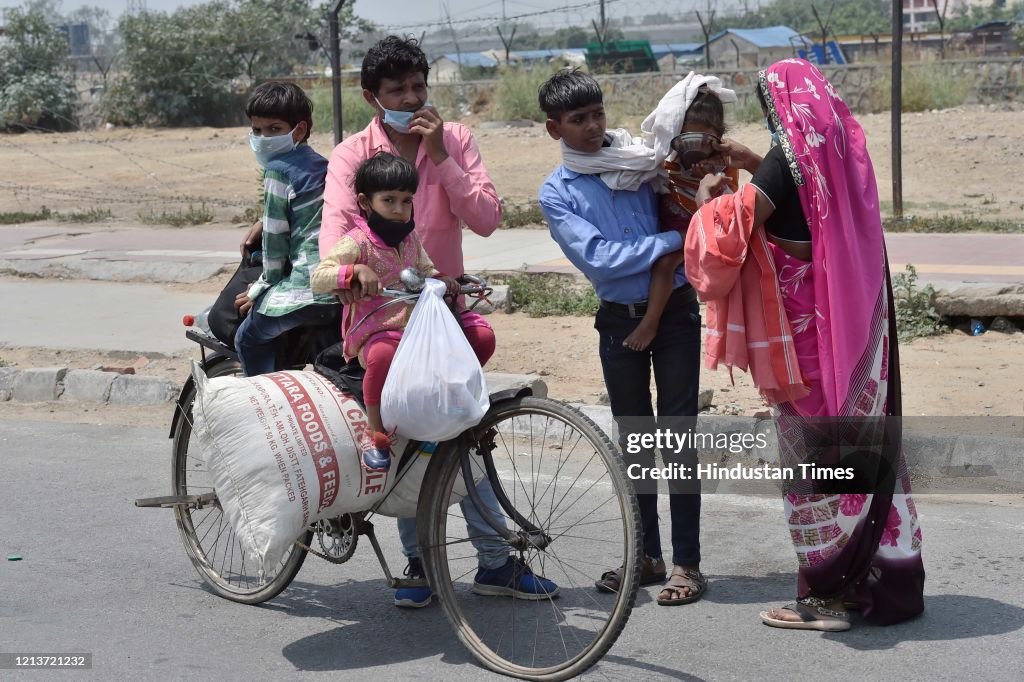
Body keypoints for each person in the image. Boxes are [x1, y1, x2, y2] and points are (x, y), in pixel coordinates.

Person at [319, 36, 557, 608]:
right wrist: (358, 278)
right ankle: (429, 560)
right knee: (418, 429)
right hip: (384, 320)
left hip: (444, 313)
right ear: (371, 95)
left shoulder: (454, 141)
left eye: (419, 86)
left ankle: (482, 563)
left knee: (456, 427)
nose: (412, 96)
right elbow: (334, 244)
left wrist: (442, 158)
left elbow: (487, 219)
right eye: (397, 89)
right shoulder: (353, 157)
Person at [687, 58, 925, 630]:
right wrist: (758, 164)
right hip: (855, 344)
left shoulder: (783, 163)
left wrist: (704, 198)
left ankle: (827, 600)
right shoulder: (841, 159)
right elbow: (800, 191)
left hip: (805, 349)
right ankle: (889, 586)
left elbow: (722, 246)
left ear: (778, 109)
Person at [538, 68, 707, 606]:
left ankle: (687, 564)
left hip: (676, 312)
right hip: (618, 319)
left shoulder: (641, 161)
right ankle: (646, 556)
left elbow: (687, 206)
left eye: (598, 115)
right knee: (635, 440)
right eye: (578, 120)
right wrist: (670, 239)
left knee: (677, 437)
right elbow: (600, 261)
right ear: (553, 128)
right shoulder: (557, 192)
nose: (593, 127)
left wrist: (679, 235)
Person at [311, 152, 469, 470]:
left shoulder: (410, 238)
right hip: (373, 333)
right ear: (365, 202)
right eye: (389, 200)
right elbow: (318, 278)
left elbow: (425, 268)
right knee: (382, 356)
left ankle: (431, 420)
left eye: (406, 201)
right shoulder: (356, 243)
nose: (399, 210)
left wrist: (442, 279)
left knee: (472, 338)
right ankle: (375, 432)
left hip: (414, 328)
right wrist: (353, 272)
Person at [623, 82, 740, 352]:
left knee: (665, 265)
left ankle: (649, 323)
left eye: (704, 141)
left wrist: (709, 179)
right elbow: (660, 170)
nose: (696, 148)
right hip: (674, 218)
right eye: (688, 140)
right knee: (663, 264)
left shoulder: (725, 161)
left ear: (718, 137)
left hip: (702, 221)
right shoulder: (673, 157)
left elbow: (727, 195)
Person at [233, 81, 338, 376]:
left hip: (306, 287)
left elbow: (276, 243)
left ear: (299, 130)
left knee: (248, 338)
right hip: (336, 288)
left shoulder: (278, 170)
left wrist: (260, 287)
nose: (263, 138)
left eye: (274, 129)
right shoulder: (321, 164)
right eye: (257, 130)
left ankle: (262, 403)